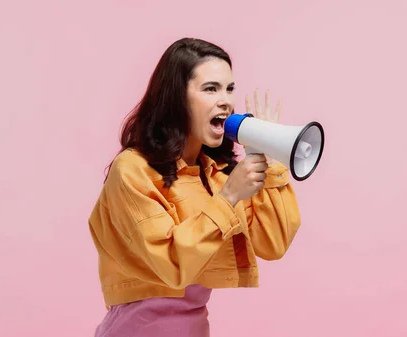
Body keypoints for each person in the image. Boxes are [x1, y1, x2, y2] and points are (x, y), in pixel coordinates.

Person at [88, 37, 302, 337]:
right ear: (177, 98)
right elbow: (171, 264)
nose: (226, 100)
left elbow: (273, 242)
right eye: (210, 88)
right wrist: (228, 199)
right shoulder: (133, 169)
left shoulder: (213, 175)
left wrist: (270, 160)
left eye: (230, 89)